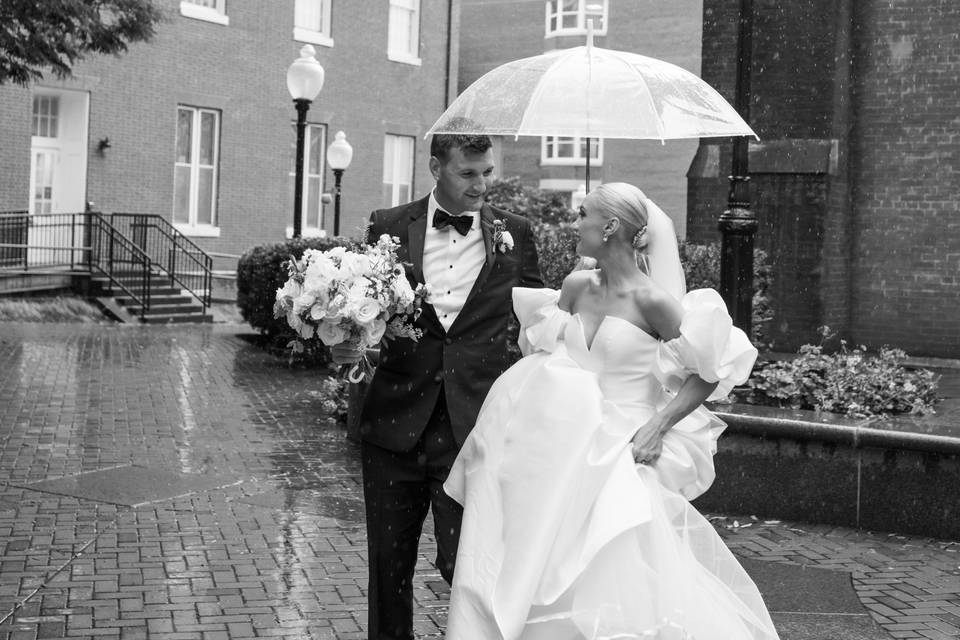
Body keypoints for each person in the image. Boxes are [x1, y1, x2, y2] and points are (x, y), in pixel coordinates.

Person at [443, 183, 781, 640]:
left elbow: (708, 371)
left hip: (622, 448)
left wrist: (658, 427)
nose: (575, 222)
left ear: (611, 226)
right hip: (562, 445)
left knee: (611, 566)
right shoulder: (576, 286)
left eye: (583, 214)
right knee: (532, 557)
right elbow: (546, 355)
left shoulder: (652, 302)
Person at [333, 130, 543, 640]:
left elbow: (538, 325)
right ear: (435, 167)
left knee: (467, 568)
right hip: (393, 423)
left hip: (472, 428)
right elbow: (363, 314)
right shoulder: (387, 226)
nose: (480, 185)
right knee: (389, 569)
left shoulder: (516, 232)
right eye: (467, 173)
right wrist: (344, 344)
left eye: (486, 172)